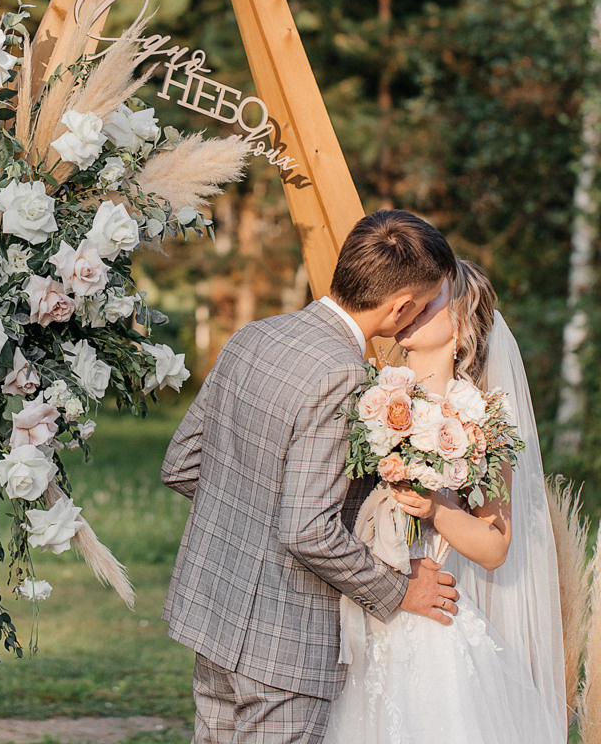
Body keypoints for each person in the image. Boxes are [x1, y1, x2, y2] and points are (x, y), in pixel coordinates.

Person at [161, 209, 460, 744]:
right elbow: (306, 529)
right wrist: (398, 590)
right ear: (401, 307)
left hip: (213, 609)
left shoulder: (255, 335)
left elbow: (183, 462)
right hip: (286, 636)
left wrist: (253, 519)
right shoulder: (343, 374)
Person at [327, 259, 566, 744]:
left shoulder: (484, 424)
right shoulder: (361, 391)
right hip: (353, 606)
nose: (412, 305)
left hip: (430, 623)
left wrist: (437, 506)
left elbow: (496, 547)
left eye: (432, 299)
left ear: (461, 325)